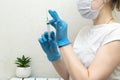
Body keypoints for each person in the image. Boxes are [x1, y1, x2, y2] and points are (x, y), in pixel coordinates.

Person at [38, 0, 120, 80]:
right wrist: (54, 57)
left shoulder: (116, 33)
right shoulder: (84, 31)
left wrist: (64, 43)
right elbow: (70, 75)